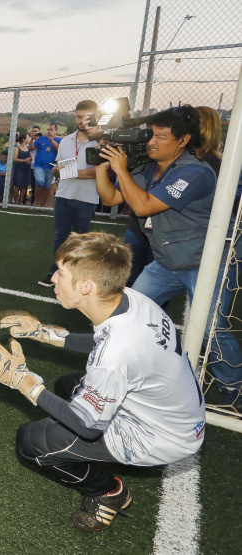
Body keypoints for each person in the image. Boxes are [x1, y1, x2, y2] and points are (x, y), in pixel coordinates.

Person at [0, 231, 205, 532]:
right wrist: (43, 333)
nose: (53, 278)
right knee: (68, 386)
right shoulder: (130, 299)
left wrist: (22, 381)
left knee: (32, 441)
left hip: (159, 436)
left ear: (85, 286)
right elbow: (101, 340)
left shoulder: (116, 356)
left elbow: (87, 426)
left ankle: (107, 492)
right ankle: (90, 458)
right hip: (174, 413)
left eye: (61, 273)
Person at [95, 105, 242, 408]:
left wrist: (121, 169)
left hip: (206, 263)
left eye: (161, 136)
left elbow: (144, 206)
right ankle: (131, 370)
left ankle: (235, 386)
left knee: (210, 329)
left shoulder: (195, 172)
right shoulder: (149, 168)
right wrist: (101, 165)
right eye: (151, 135)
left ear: (183, 140)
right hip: (167, 262)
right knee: (129, 311)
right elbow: (111, 198)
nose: (152, 142)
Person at [38, 101, 99, 287]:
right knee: (60, 237)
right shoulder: (65, 140)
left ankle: (77, 277)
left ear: (95, 116)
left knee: (81, 240)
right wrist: (59, 172)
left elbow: (97, 172)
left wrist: (67, 172)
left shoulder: (101, 141)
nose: (82, 121)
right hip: (64, 196)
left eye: (87, 117)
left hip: (87, 198)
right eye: (79, 117)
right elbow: (58, 169)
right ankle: (55, 273)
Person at [32, 123, 61, 208]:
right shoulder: (41, 139)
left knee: (47, 186)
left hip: (50, 167)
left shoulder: (58, 140)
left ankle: (42, 204)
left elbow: (59, 149)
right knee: (40, 181)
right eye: (48, 129)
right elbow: (31, 148)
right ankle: (36, 200)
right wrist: (31, 140)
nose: (49, 131)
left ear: (56, 131)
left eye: (51, 130)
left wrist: (52, 140)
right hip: (39, 165)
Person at [10, 133, 32, 204]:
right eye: (28, 138)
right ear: (24, 139)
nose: (29, 139)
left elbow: (31, 157)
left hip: (26, 169)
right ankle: (16, 201)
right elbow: (14, 159)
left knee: (24, 186)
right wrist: (24, 160)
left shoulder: (27, 148)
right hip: (19, 168)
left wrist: (30, 158)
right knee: (17, 185)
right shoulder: (17, 148)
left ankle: (21, 201)